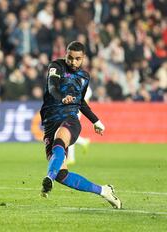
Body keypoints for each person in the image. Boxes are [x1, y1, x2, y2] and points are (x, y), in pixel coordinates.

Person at [39, 41, 122, 209]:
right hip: (50, 122)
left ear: (83, 58)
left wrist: (96, 121)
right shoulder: (56, 67)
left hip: (70, 119)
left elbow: (81, 102)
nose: (73, 62)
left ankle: (48, 178)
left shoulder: (84, 77)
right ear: (65, 55)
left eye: (77, 59)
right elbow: (52, 87)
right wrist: (62, 97)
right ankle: (104, 191)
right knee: (62, 174)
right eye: (70, 58)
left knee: (60, 140)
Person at [66, 86, 92, 165]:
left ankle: (71, 158)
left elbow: (85, 100)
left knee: (69, 132)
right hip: (70, 109)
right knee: (68, 132)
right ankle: (83, 142)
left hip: (75, 110)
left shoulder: (82, 83)